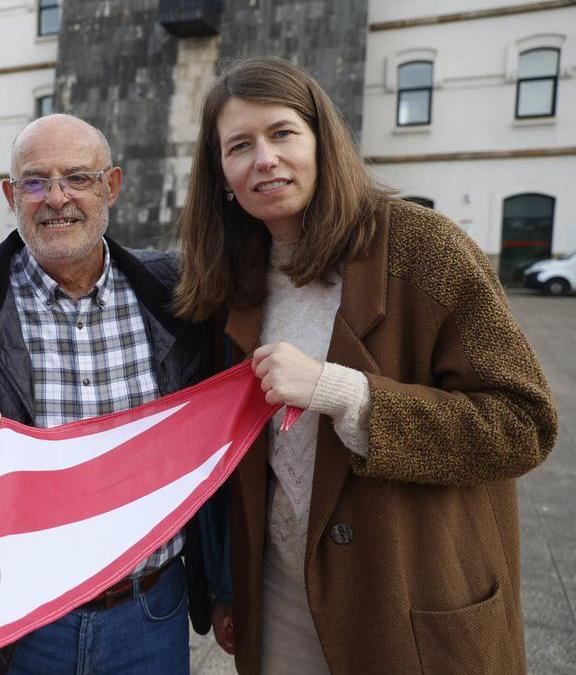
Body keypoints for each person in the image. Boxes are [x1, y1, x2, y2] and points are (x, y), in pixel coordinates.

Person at [174, 56, 557, 674]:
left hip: (409, 600)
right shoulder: (230, 281)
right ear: (221, 175)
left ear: (323, 142)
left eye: (281, 133)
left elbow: (525, 424)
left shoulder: (422, 247)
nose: (263, 159)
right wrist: (229, 584)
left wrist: (343, 392)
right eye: (239, 145)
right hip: (279, 600)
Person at [0, 113, 214, 674]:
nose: (56, 198)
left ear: (112, 186)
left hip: (149, 609)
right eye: (35, 181)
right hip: (24, 617)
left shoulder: (175, 288)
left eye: (78, 178)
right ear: (12, 195)